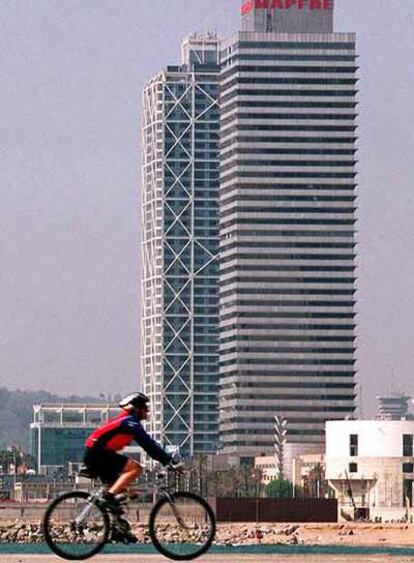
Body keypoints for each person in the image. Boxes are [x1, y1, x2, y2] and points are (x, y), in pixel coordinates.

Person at [83, 391, 178, 512]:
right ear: (136, 409)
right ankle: (109, 498)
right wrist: (168, 461)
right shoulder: (130, 422)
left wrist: (165, 460)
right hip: (98, 454)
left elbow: (149, 446)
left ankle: (116, 526)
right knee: (136, 468)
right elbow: (148, 445)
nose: (147, 411)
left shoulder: (127, 421)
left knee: (123, 493)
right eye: (144, 407)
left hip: (96, 454)